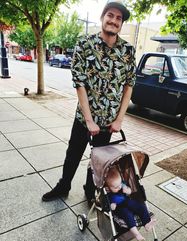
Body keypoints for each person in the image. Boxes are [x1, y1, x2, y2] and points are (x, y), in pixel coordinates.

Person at [42, 0, 136, 202]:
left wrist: (119, 119)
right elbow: (80, 84)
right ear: (102, 17)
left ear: (121, 24)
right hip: (85, 117)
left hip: (109, 121)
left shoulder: (128, 51)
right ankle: (63, 186)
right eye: (110, 15)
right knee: (73, 153)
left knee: (99, 159)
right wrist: (89, 120)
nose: (114, 20)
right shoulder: (84, 45)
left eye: (118, 18)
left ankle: (90, 189)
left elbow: (129, 86)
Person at [106, 166, 156, 241]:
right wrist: (112, 205)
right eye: (116, 187)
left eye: (120, 184)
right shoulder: (109, 193)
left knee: (141, 206)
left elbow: (129, 191)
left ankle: (146, 223)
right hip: (120, 208)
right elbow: (110, 205)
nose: (119, 187)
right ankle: (136, 234)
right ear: (108, 187)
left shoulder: (121, 184)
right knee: (128, 216)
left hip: (128, 202)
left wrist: (128, 190)